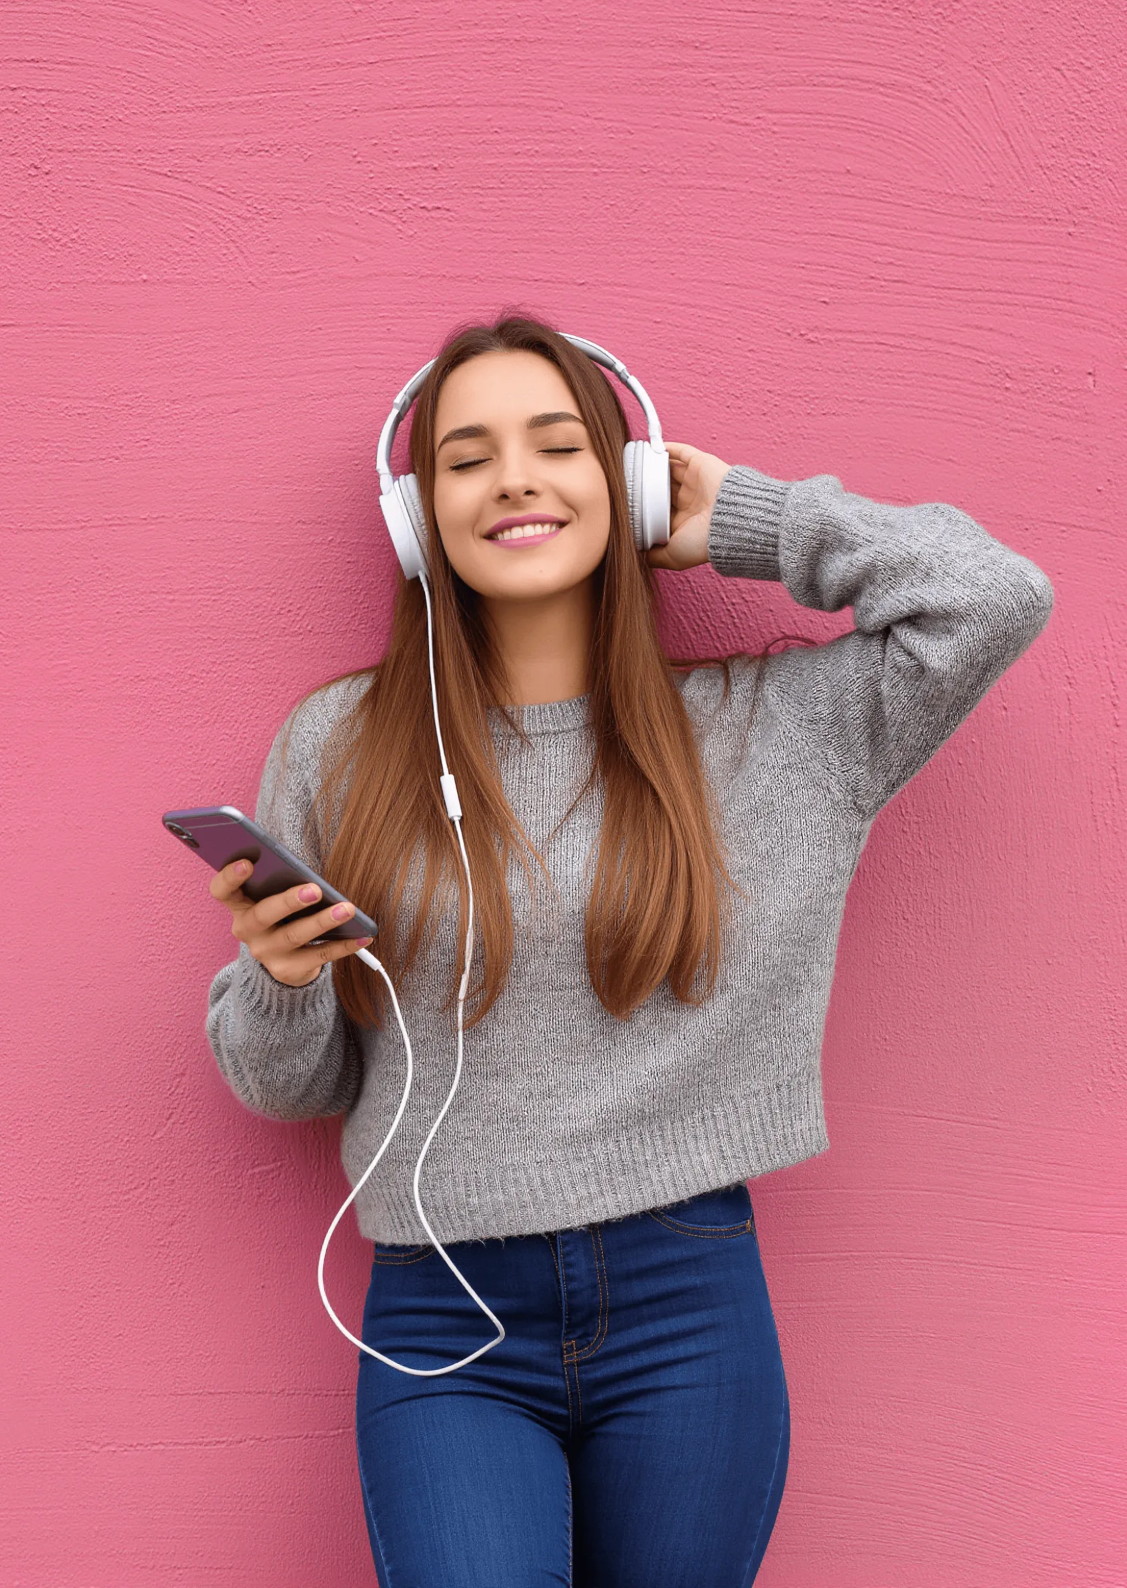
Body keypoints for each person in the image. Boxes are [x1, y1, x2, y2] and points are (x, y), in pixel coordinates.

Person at [203, 313, 1053, 1587]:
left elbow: (995, 596)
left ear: (632, 484)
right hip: (442, 1312)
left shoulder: (781, 733)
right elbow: (289, 1086)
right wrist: (281, 979)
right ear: (415, 512)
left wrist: (756, 520)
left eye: (558, 446)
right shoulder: (340, 745)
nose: (517, 480)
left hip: (687, 1305)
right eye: (468, 457)